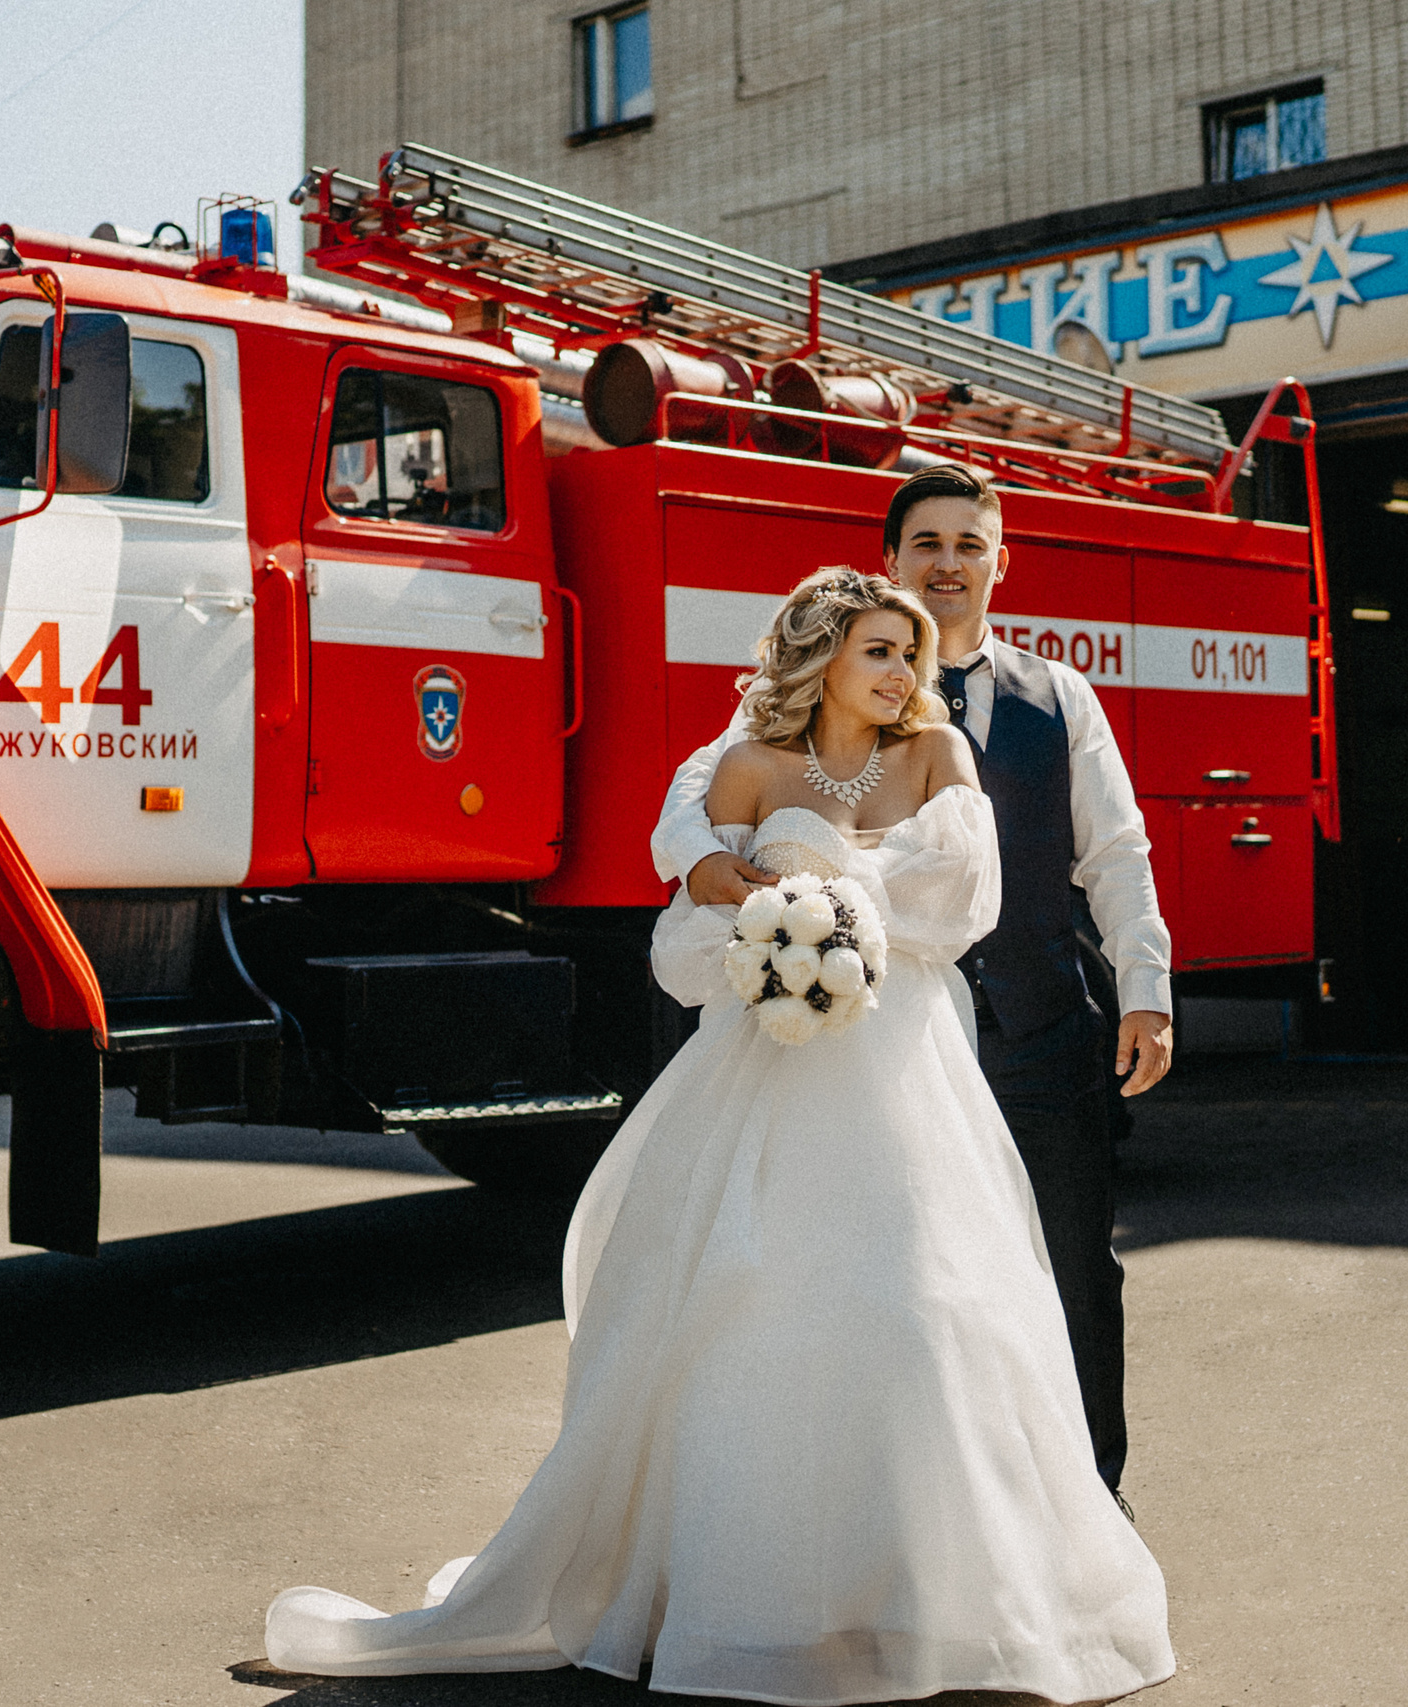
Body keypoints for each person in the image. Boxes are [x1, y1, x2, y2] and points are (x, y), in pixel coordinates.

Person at [264, 570, 1172, 1705]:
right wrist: (759, 936)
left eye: (911, 655)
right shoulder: (741, 769)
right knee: (751, 1311)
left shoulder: (941, 758)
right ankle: (751, 1607)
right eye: (879, 653)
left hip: (908, 1071)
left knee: (924, 1309)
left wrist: (837, 900)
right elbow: (678, 951)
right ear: (822, 658)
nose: (903, 675)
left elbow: (964, 907)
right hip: (765, 1075)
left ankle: (930, 1599)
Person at [657, 461, 1173, 1497]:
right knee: (905, 1288)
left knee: (1072, 1271)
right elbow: (695, 790)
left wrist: (1145, 987)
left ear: (999, 562)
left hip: (1034, 1035)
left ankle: (1087, 1502)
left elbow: (1112, 851)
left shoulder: (1056, 696)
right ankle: (936, 1506)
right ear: (888, 561)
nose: (947, 563)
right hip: (884, 1054)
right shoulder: (824, 698)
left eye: (967, 544)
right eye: (926, 544)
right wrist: (699, 858)